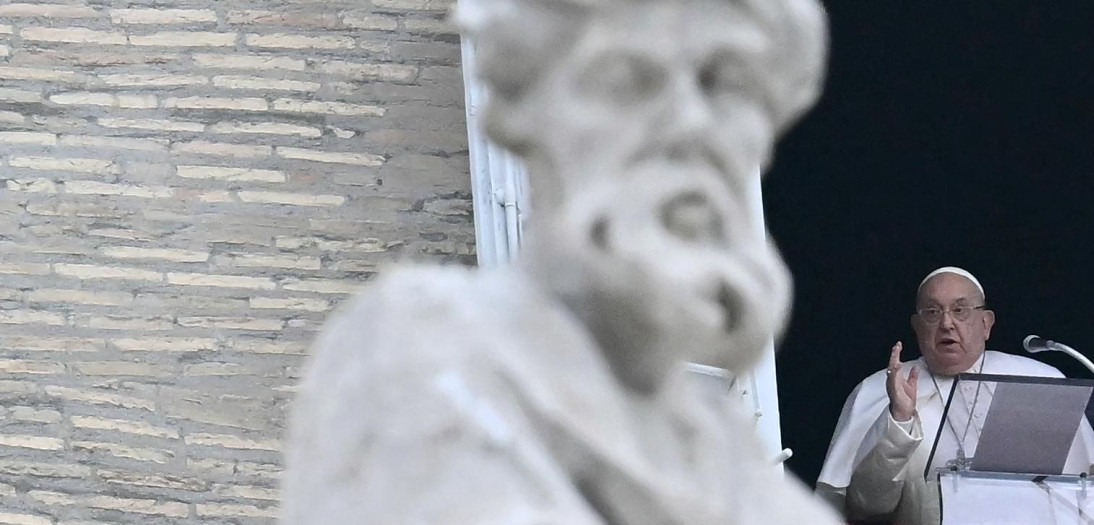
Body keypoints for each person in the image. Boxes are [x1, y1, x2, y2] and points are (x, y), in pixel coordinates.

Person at [282, 0, 844, 523]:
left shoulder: (728, 457)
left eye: (725, 84)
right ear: (521, 110)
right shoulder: (425, 348)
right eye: (626, 78)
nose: (690, 122)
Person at [815, 267, 1094, 524]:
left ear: (986, 323)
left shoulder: (1038, 380)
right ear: (916, 326)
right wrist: (899, 421)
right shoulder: (878, 390)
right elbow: (865, 508)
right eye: (933, 312)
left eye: (960, 310)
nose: (947, 323)